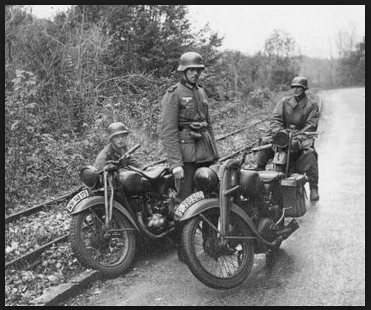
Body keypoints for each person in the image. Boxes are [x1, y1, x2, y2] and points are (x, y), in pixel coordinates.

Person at [159, 51, 220, 209]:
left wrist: (215, 156)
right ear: (183, 71)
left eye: (198, 70)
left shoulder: (201, 91)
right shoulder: (174, 94)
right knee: (184, 201)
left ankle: (209, 234)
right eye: (191, 70)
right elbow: (168, 131)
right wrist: (176, 164)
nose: (195, 73)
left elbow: (209, 125)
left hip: (205, 153)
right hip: (187, 157)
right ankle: (180, 234)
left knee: (211, 195)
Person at [256, 76, 320, 201]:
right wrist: (280, 132)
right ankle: (258, 176)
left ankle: (313, 187)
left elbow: (311, 125)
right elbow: (275, 119)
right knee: (265, 143)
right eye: (294, 87)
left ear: (304, 89)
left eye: (299, 87)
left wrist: (299, 136)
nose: (296, 90)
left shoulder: (312, 105)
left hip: (301, 136)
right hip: (282, 135)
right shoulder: (284, 102)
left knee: (310, 154)